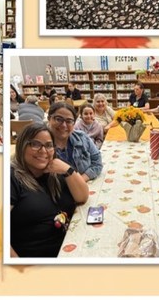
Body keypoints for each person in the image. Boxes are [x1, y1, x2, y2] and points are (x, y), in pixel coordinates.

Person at [9, 123, 89, 258]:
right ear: (22, 146)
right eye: (35, 144)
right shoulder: (12, 178)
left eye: (48, 145)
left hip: (71, 250)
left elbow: (82, 197)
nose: (43, 151)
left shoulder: (55, 171)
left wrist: (67, 170)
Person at [47, 102, 103, 181]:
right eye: (58, 119)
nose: (63, 125)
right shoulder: (41, 146)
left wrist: (80, 180)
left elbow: (97, 162)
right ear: (49, 119)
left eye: (69, 121)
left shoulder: (82, 137)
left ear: (74, 123)